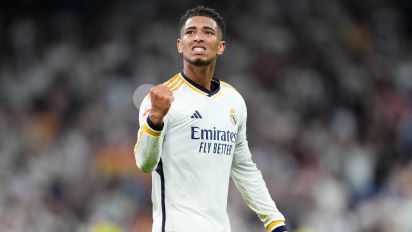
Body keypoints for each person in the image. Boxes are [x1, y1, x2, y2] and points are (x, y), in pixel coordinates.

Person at [134, 5, 288, 232]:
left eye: (207, 32)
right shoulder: (160, 98)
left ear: (221, 46)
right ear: (180, 45)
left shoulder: (233, 101)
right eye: (190, 32)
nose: (198, 38)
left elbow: (244, 167)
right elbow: (145, 164)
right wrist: (155, 119)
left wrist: (274, 221)